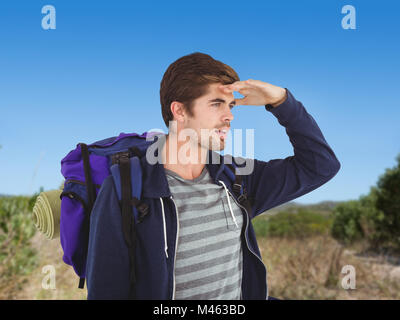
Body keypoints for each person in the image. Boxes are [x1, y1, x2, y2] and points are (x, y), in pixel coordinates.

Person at [86, 52, 340, 300]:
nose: (229, 116)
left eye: (230, 105)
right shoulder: (127, 188)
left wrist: (282, 101)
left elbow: (320, 166)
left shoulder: (236, 178)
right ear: (180, 111)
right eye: (216, 104)